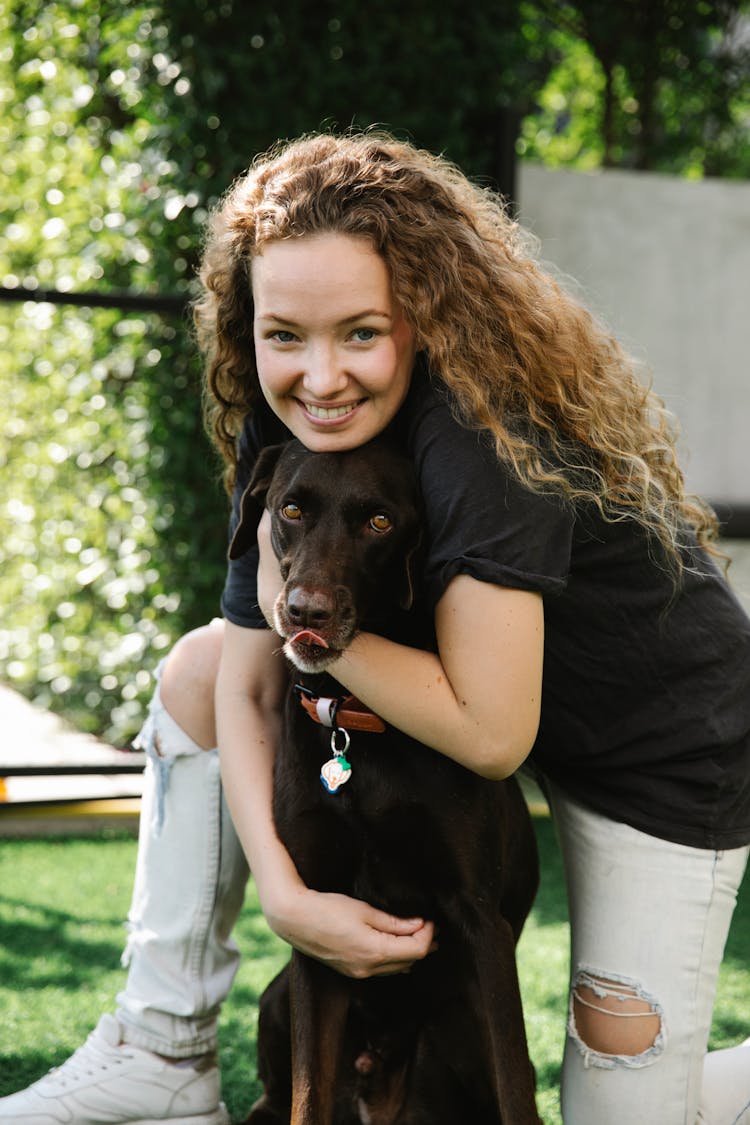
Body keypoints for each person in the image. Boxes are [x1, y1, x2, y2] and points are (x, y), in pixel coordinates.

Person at [2, 130, 749, 1125]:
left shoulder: (485, 440)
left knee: (626, 1114)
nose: (320, 375)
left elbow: (490, 734)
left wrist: (317, 622)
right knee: (198, 665)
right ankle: (161, 1043)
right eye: (285, 335)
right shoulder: (297, 425)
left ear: (428, 318)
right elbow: (248, 676)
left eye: (362, 332)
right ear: (247, 326)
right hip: (495, 698)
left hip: (664, 751)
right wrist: (286, 892)